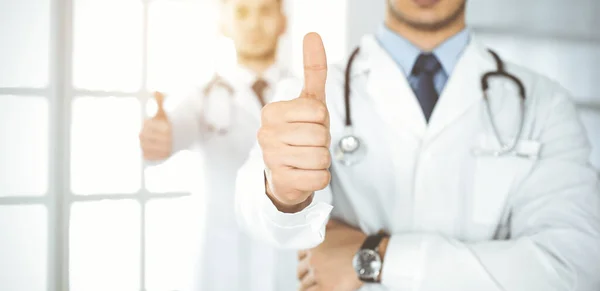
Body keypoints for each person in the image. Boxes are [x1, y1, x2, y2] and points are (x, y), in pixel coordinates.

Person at [235, 0, 600, 290]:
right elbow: (255, 212)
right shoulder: (313, 95)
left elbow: (573, 267)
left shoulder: (544, 104)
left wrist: (374, 257)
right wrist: (283, 193)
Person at [138, 0, 298, 290]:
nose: (253, 23)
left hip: (291, 266)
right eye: (241, 11)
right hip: (225, 267)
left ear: (282, 21)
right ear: (223, 23)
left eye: (265, 11)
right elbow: (177, 127)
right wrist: (161, 138)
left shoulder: (304, 95)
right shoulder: (201, 97)